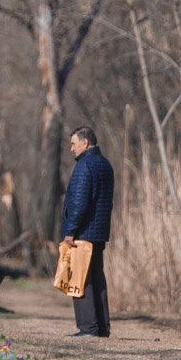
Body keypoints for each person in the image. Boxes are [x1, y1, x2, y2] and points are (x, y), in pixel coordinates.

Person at [60, 125, 115, 337]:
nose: (71, 149)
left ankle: (88, 327)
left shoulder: (85, 166)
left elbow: (79, 203)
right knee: (97, 278)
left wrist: (70, 231)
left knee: (81, 279)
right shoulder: (105, 165)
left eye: (73, 144)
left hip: (83, 233)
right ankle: (102, 327)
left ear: (85, 143)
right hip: (99, 231)